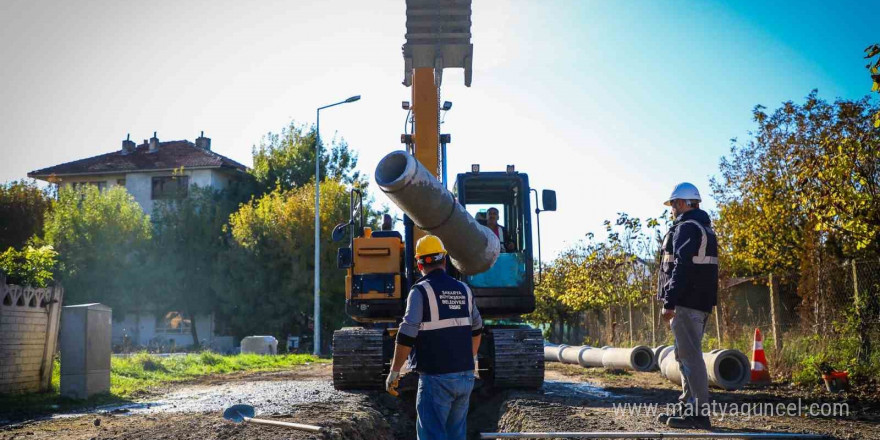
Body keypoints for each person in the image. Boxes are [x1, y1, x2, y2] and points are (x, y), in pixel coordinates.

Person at [386, 235, 483, 440]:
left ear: (419, 263)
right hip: (465, 376)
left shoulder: (420, 291)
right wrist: (467, 361)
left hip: (436, 379)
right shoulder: (464, 290)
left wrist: (394, 372)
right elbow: (477, 328)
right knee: (456, 435)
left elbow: (406, 333)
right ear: (445, 260)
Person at [656, 182, 718, 429]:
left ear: (682, 203)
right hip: (698, 302)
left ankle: (698, 414)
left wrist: (670, 301)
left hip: (686, 303)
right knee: (684, 356)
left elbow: (681, 268)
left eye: (673, 204)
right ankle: (688, 406)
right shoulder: (703, 228)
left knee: (690, 358)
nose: (671, 209)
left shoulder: (686, 228)